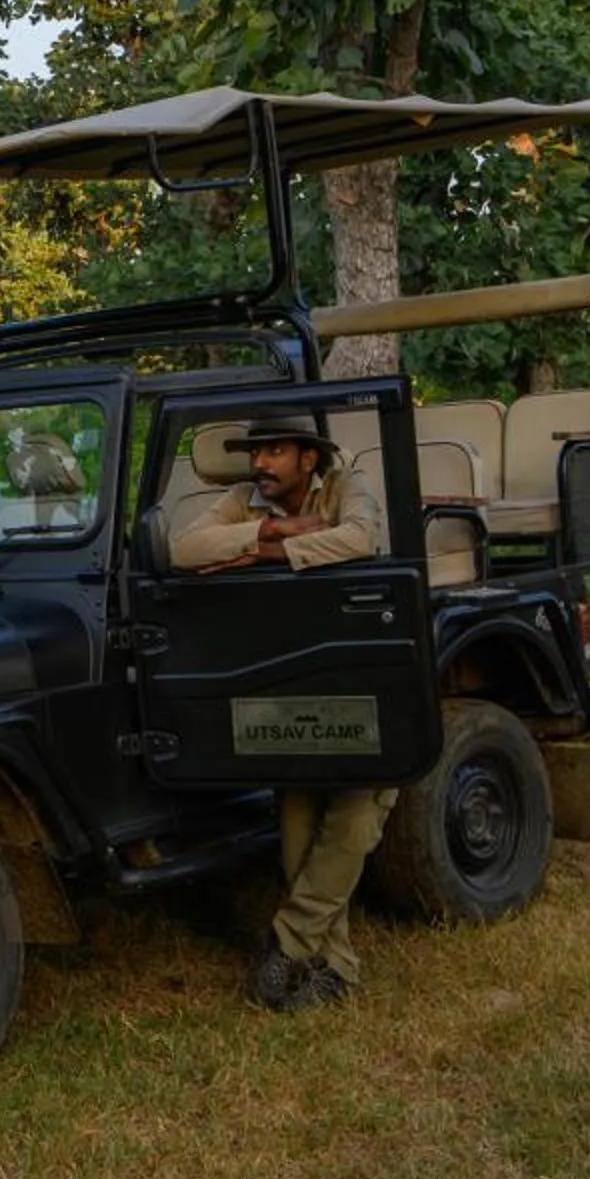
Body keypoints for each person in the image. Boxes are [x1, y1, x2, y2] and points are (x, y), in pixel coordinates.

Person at [167, 413, 394, 1014]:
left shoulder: (352, 485)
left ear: (308, 459)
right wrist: (274, 531)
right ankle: (336, 967)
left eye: (274, 451)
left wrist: (268, 553)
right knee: (296, 822)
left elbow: (360, 539)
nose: (260, 463)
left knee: (352, 818)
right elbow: (183, 548)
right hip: (288, 669)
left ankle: (288, 943)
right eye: (255, 452)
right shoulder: (245, 500)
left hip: (361, 663)